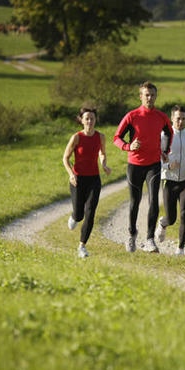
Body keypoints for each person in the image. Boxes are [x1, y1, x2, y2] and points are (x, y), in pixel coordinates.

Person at [113, 81, 173, 253]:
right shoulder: (132, 116)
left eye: (152, 94)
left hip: (153, 164)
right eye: (146, 95)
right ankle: (131, 234)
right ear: (140, 96)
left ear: (156, 96)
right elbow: (116, 137)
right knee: (135, 202)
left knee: (154, 201)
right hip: (135, 165)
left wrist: (165, 150)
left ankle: (149, 240)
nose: (150, 97)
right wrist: (128, 146)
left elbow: (169, 133)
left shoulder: (162, 117)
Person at [62, 105, 111, 258]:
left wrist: (103, 164)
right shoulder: (76, 137)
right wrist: (71, 174)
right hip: (78, 179)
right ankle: (74, 217)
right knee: (79, 214)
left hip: (94, 179)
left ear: (95, 120)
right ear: (82, 121)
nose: (90, 121)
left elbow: (102, 153)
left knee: (90, 213)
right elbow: (65, 158)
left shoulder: (100, 137)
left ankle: (82, 246)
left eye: (92, 119)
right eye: (87, 119)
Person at [155, 105, 185, 255]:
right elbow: (157, 159)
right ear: (172, 119)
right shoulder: (164, 136)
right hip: (169, 180)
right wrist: (168, 166)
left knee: (184, 214)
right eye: (178, 118)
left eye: (183, 119)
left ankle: (180, 248)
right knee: (172, 218)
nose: (181, 121)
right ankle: (163, 223)